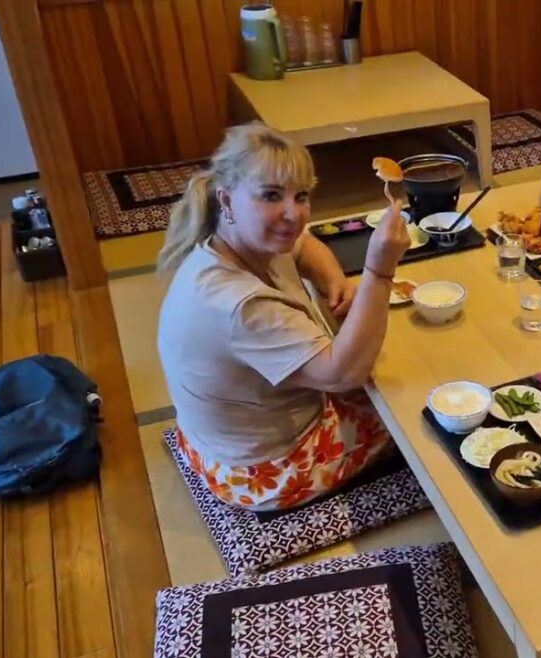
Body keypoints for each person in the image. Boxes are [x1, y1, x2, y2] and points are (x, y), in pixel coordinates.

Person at [156, 122, 411, 511]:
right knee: (417, 410)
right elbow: (343, 375)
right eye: (271, 195)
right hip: (265, 468)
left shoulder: (234, 240)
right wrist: (378, 270)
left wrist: (333, 278)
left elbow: (303, 245)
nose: (293, 215)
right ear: (227, 200)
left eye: (301, 196)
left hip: (218, 438)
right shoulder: (239, 305)